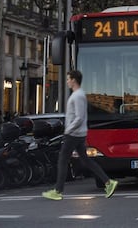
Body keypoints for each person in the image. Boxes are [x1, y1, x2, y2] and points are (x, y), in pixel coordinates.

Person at [42, 70, 118, 200]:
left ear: (73, 80)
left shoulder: (77, 96)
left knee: (63, 160)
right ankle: (108, 182)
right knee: (85, 160)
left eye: (68, 79)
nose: (67, 81)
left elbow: (79, 117)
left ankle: (58, 190)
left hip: (73, 134)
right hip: (79, 133)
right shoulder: (79, 95)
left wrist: (68, 130)